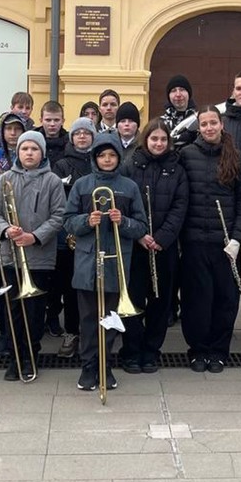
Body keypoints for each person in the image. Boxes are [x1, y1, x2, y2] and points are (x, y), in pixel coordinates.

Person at [63, 133, 149, 391]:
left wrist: (123, 221)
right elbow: (68, 221)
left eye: (112, 155)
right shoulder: (82, 185)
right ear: (95, 158)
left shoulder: (129, 187)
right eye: (102, 155)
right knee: (88, 318)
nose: (107, 159)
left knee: (111, 317)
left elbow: (141, 226)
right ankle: (89, 366)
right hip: (88, 262)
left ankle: (106, 364)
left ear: (118, 157)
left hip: (117, 263)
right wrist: (85, 221)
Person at [0, 130, 66, 381]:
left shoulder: (52, 180)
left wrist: (35, 236)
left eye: (34, 149)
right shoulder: (4, 179)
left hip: (39, 258)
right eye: (24, 149)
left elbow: (59, 215)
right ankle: (14, 357)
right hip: (9, 257)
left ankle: (30, 356)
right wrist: (6, 230)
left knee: (34, 311)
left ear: (42, 154)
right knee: (12, 312)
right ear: (17, 152)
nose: (29, 153)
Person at [178, 106, 241, 373]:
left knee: (226, 299)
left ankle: (219, 351)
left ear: (221, 125)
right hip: (195, 241)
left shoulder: (236, 156)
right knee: (196, 299)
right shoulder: (186, 155)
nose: (209, 128)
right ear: (198, 128)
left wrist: (237, 238)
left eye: (213, 123)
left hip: (226, 244)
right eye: (204, 124)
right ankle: (197, 350)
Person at [123, 119, 190, 373]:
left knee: (160, 301)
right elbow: (124, 203)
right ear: (146, 140)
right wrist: (140, 235)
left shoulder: (177, 169)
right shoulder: (131, 165)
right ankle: (131, 350)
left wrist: (161, 238)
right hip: (136, 245)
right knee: (134, 299)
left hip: (165, 246)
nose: (159, 143)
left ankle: (151, 351)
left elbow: (180, 206)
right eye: (154, 139)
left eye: (163, 139)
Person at [50, 118, 98, 356]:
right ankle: (72, 332)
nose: (81, 137)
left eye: (86, 133)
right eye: (77, 133)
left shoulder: (101, 160)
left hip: (98, 231)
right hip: (70, 233)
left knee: (97, 286)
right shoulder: (61, 164)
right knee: (70, 286)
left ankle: (96, 332)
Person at [0, 91, 36, 156]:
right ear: (12, 108)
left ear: (32, 109)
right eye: (20, 107)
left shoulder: (35, 133)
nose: (24, 111)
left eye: (27, 108)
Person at [160, 74, 197, 147]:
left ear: (188, 94)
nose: (178, 94)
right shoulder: (160, 123)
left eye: (182, 90)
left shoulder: (197, 120)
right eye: (173, 91)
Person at [38, 100, 69, 167]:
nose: (52, 124)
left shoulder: (70, 143)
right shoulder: (33, 141)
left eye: (56, 120)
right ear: (41, 120)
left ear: (63, 121)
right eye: (48, 120)